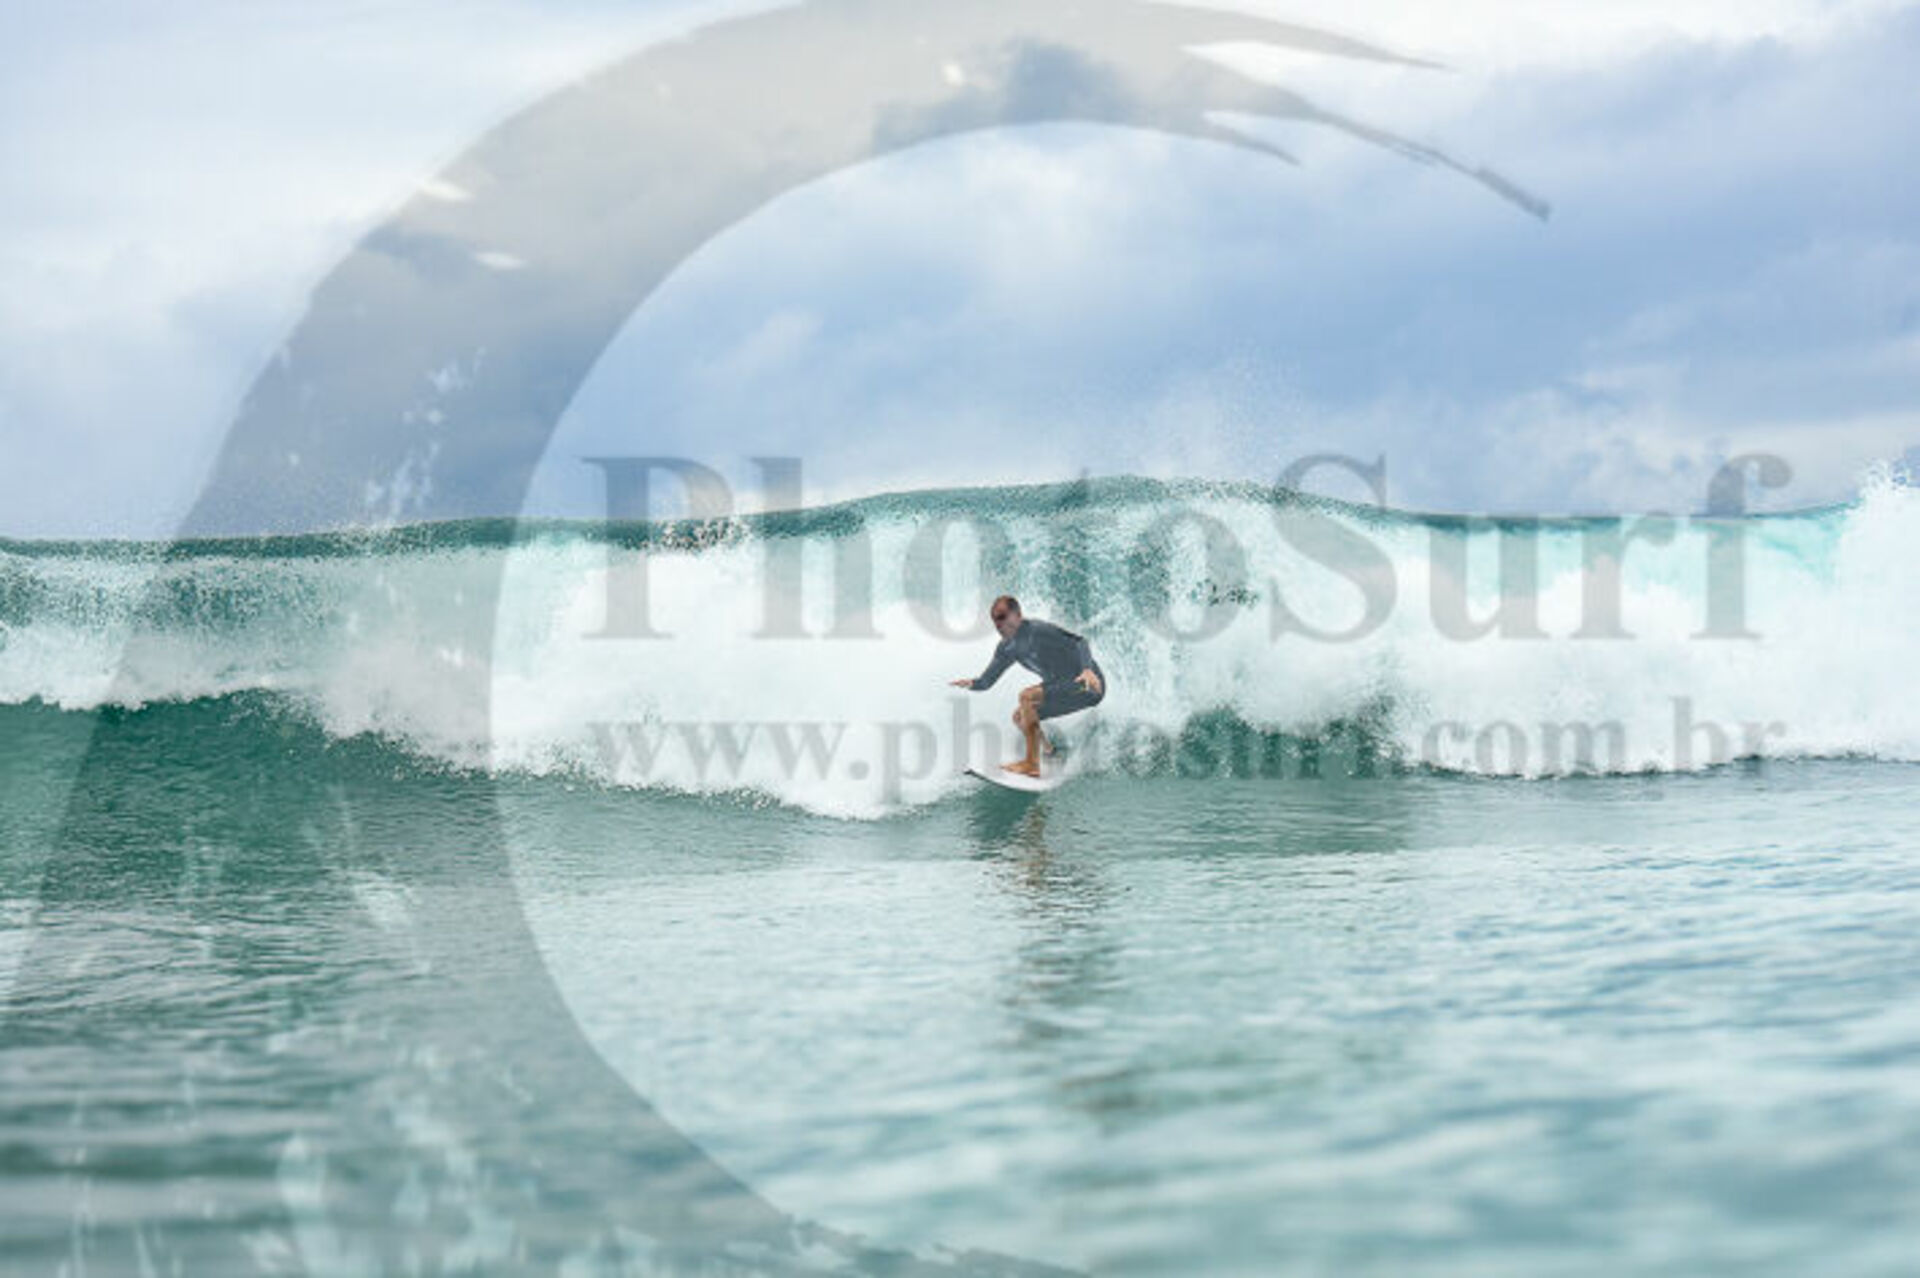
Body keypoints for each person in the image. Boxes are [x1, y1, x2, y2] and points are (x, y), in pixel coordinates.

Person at [949, 595, 1105, 777]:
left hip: (1086, 684)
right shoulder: (1006, 648)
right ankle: (1050, 752)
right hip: (1063, 687)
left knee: (1026, 696)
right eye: (996, 621)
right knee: (1019, 717)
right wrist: (972, 684)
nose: (999, 625)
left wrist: (1087, 670)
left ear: (1018, 615)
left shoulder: (1037, 630)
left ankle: (1031, 764)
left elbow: (1079, 642)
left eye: (1003, 618)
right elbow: (986, 682)